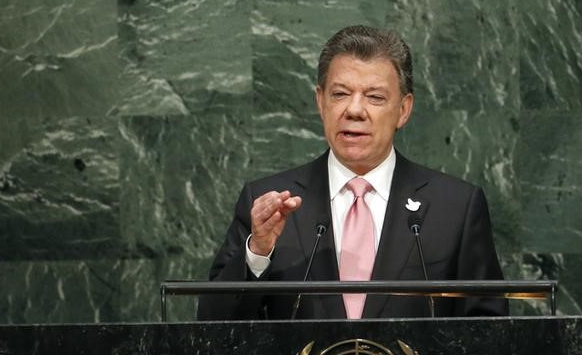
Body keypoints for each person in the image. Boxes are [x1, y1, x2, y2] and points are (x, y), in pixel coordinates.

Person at [197, 25, 508, 321]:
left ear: (403, 109)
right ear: (320, 101)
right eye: (340, 94)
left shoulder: (455, 207)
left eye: (374, 97)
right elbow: (214, 326)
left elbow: (487, 329)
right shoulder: (270, 203)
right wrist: (258, 251)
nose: (355, 110)